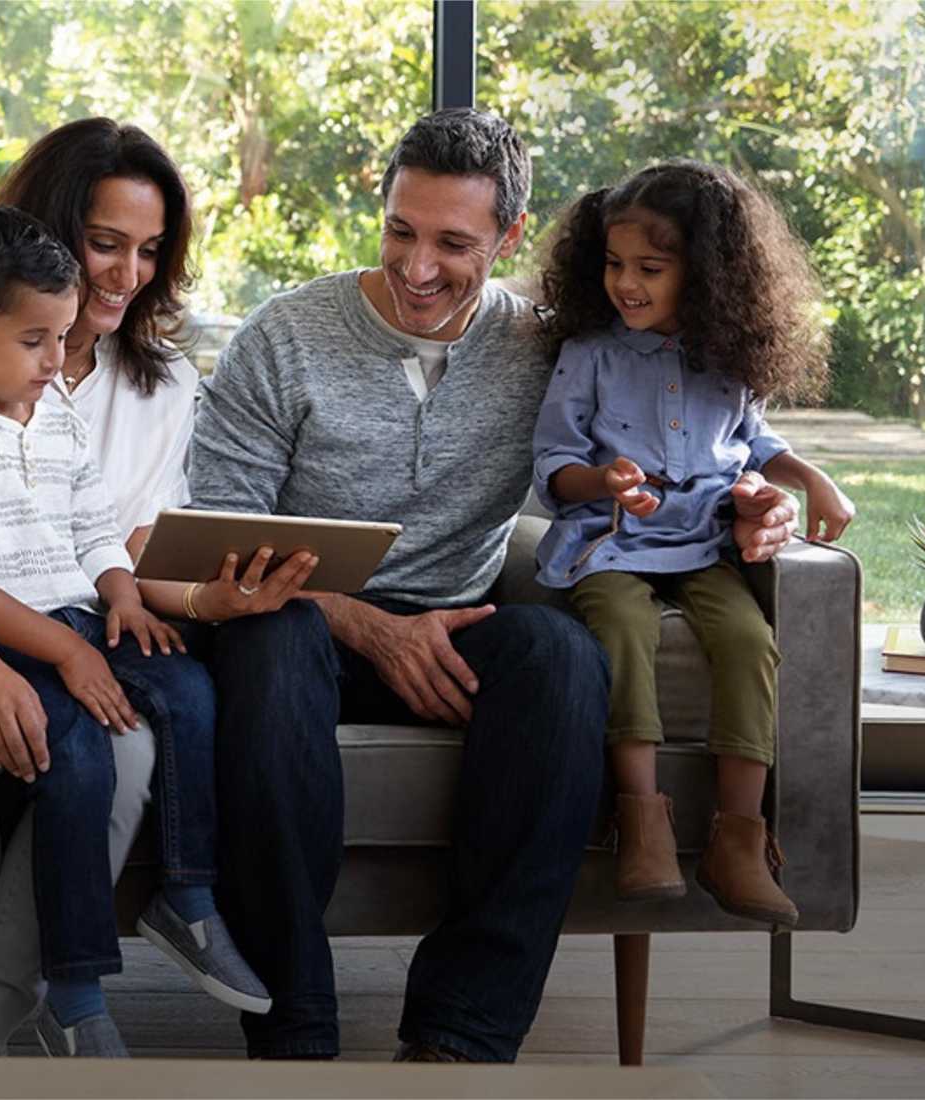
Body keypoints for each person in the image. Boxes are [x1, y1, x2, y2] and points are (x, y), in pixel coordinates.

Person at [189, 110, 802, 1064]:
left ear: (509, 239)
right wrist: (372, 628)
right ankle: (293, 1025)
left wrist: (762, 508)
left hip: (461, 623)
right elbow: (223, 544)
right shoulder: (286, 337)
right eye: (401, 229)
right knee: (267, 648)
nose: (418, 265)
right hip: (299, 621)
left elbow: (696, 435)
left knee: (561, 656)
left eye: (453, 243)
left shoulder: (550, 347)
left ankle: (462, 1036)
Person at [0, 118, 311, 1056]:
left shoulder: (160, 384)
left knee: (124, 741)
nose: (127, 275)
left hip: (51, 621)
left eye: (151, 251)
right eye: (105, 245)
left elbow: (121, 545)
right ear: (54, 238)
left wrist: (208, 602)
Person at [0, 206, 271, 1056]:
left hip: (77, 613)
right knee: (84, 755)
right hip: (9, 629)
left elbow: (96, 522)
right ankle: (74, 987)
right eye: (35, 342)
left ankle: (189, 894)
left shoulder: (52, 410)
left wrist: (122, 592)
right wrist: (64, 647)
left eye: (61, 341)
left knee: (187, 690)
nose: (56, 363)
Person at [532, 160, 856, 927]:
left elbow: (752, 440)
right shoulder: (593, 353)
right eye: (614, 265)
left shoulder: (729, 356)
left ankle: (740, 841)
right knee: (620, 626)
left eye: (650, 267)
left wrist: (810, 477)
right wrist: (604, 482)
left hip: (704, 542)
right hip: (611, 541)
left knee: (749, 641)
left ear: (706, 273)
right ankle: (641, 820)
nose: (626, 284)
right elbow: (553, 465)